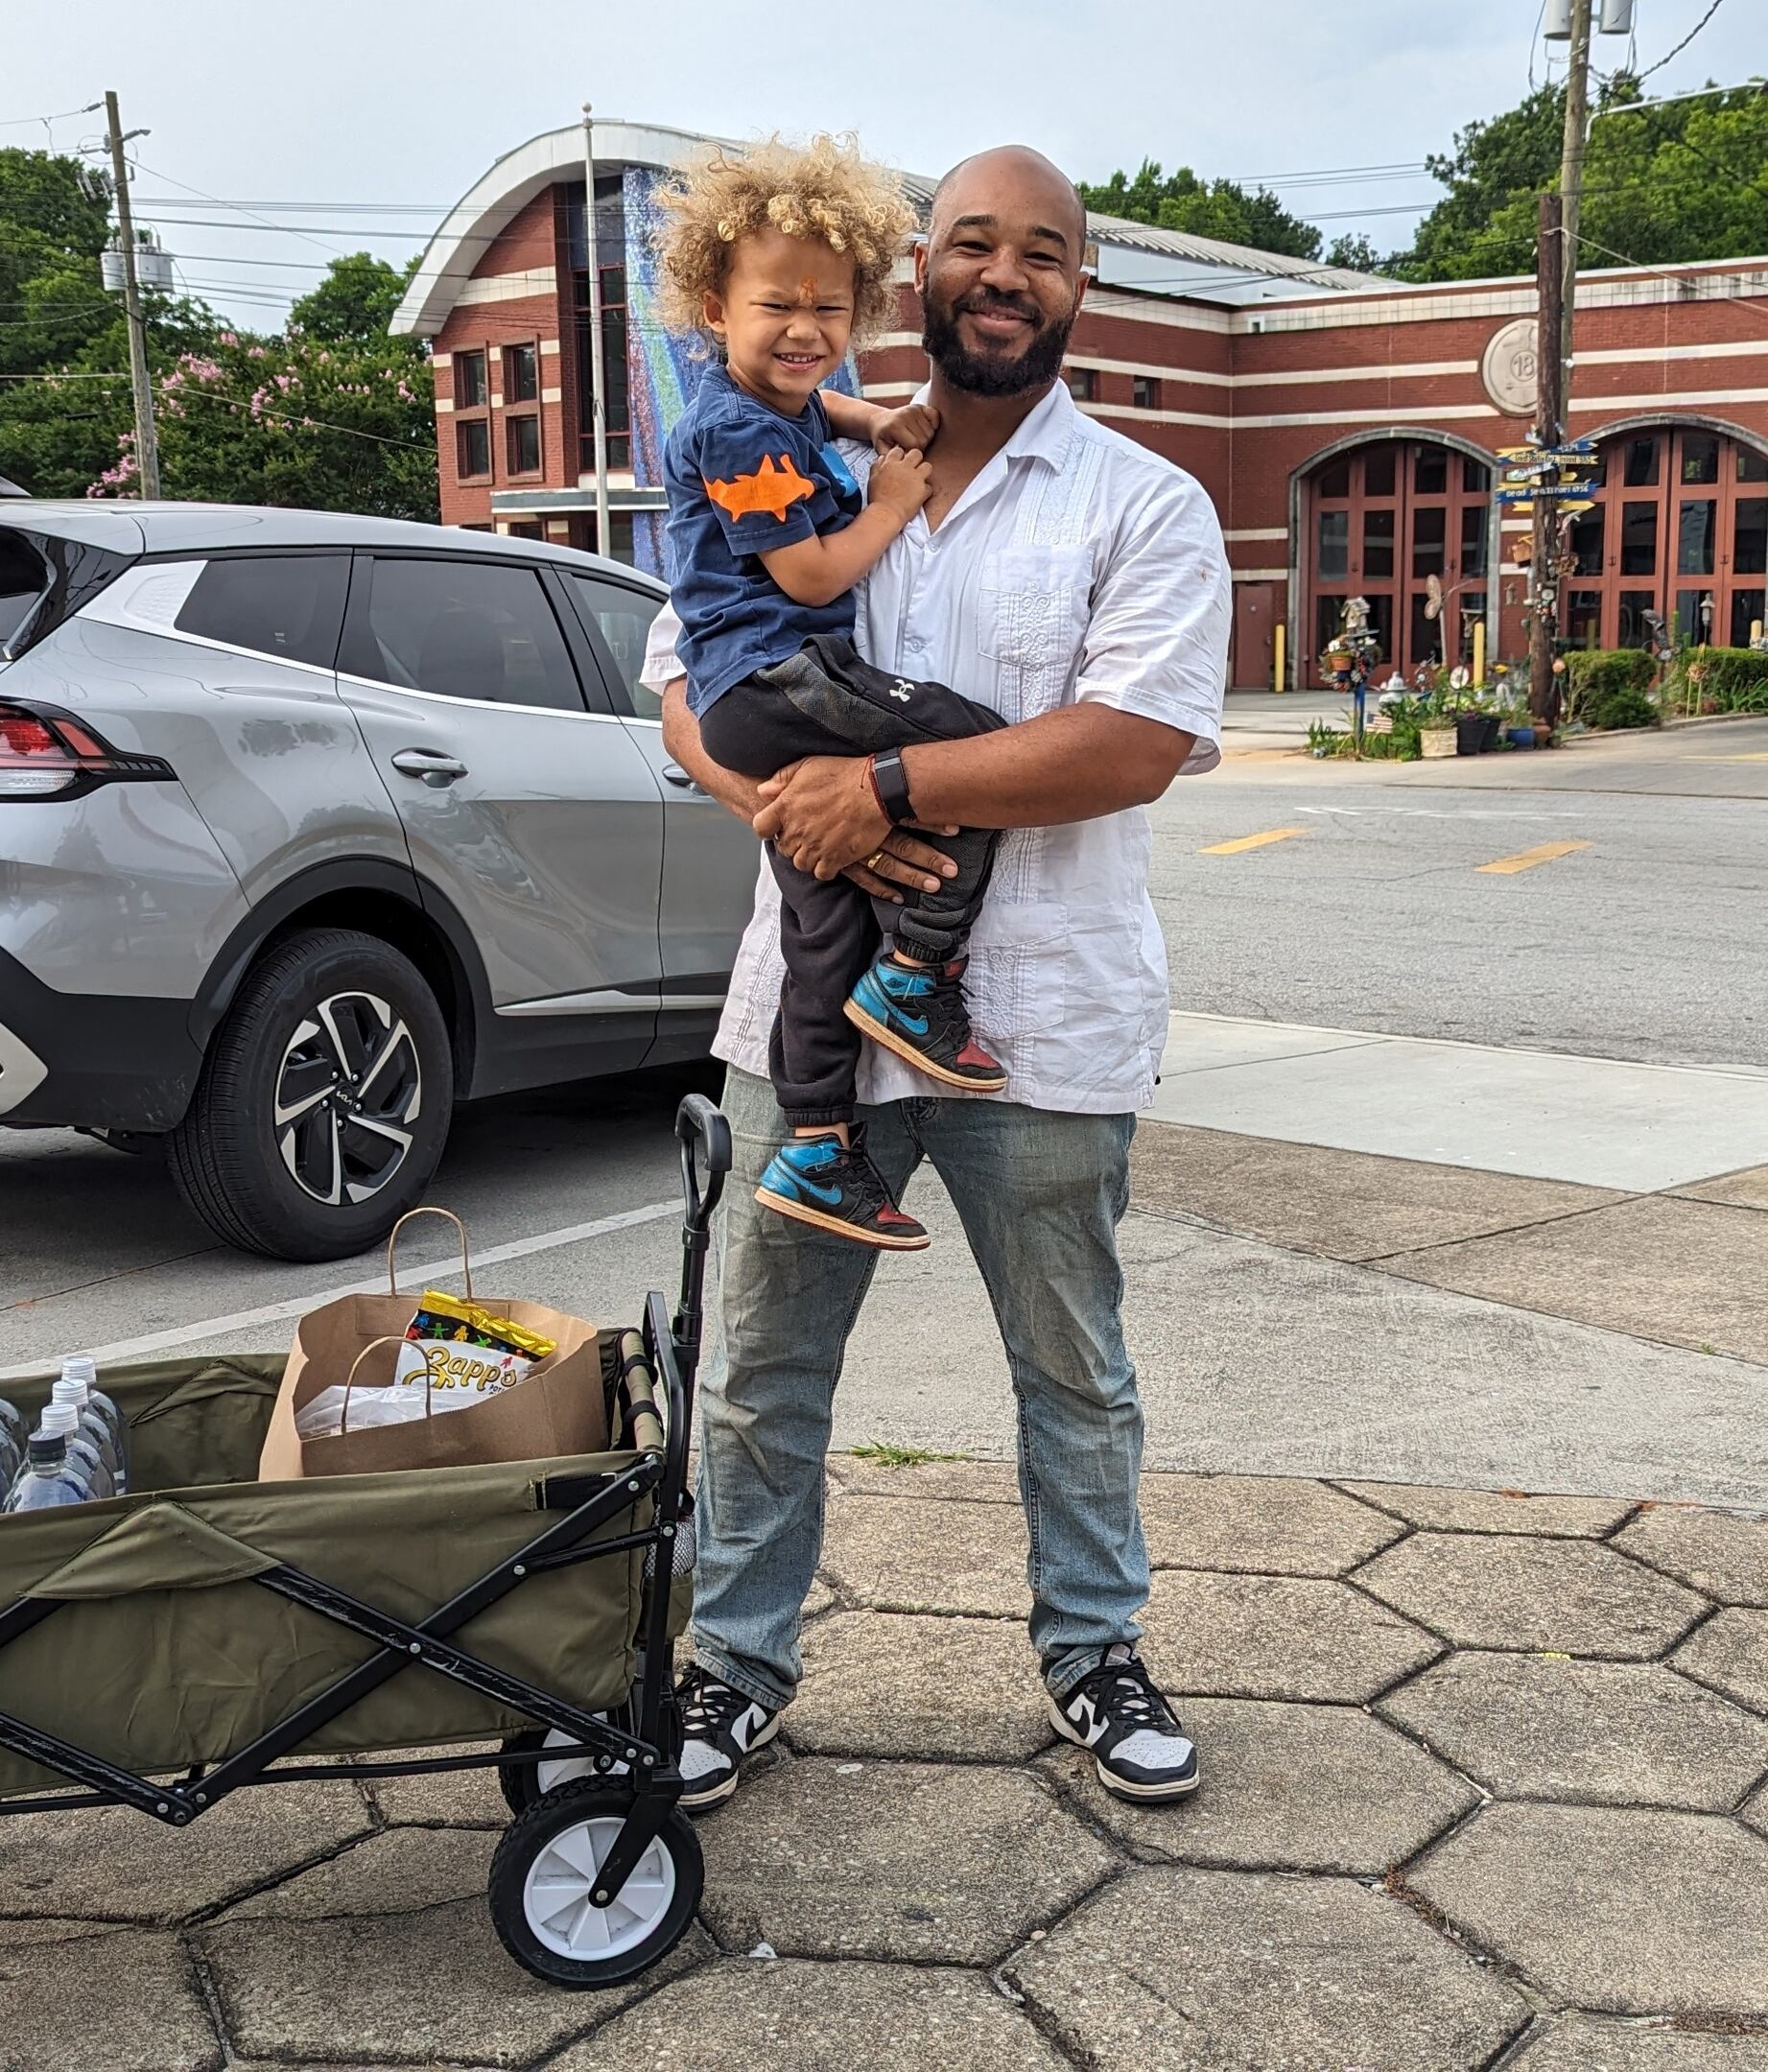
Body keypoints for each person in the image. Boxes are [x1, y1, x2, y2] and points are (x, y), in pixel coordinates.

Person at [647, 144, 1230, 1808]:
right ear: (918, 276)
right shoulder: (807, 449)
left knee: (1073, 1371)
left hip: (1044, 1021)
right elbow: (684, 678)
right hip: (804, 1015)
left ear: (1078, 289)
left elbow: (1131, 743)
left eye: (1043, 252)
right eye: (972, 242)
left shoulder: (1142, 500)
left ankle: (1096, 1653)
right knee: (761, 1367)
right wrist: (785, 799)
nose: (1004, 273)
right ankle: (732, 1668)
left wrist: (882, 791)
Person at [651, 136, 1015, 1252]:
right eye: (777, 307)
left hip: (757, 696)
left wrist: (872, 422)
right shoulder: (730, 430)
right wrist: (897, 496)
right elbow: (809, 573)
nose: (805, 330)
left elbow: (828, 414)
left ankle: (816, 1144)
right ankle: (917, 974)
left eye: (829, 309)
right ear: (714, 306)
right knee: (975, 745)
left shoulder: (781, 404)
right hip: (779, 675)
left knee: (820, 931)